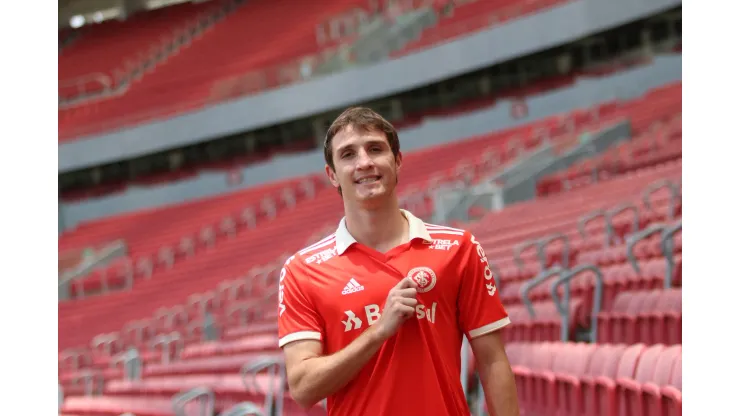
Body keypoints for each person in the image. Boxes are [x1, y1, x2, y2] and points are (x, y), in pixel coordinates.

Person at [277, 107, 520, 415]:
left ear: (398, 161)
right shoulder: (303, 271)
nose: (364, 162)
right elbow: (303, 388)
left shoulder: (458, 248)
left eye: (375, 149)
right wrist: (378, 331)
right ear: (332, 175)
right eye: (348, 154)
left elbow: (492, 361)